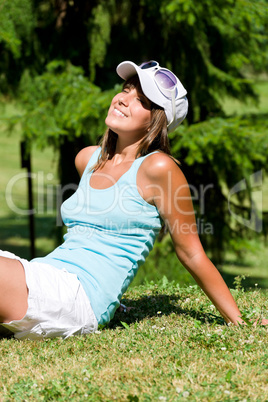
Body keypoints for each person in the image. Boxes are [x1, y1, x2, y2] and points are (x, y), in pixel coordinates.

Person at [0, 60, 267, 340]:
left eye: (140, 100)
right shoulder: (88, 159)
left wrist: (237, 319)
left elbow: (191, 252)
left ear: (156, 119)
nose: (123, 99)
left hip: (77, 297)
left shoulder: (159, 168)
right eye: (125, 90)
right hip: (45, 273)